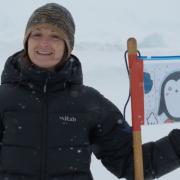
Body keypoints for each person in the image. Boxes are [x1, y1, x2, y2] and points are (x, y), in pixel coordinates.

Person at [0, 3, 180, 180]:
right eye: (37, 34)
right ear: (26, 41)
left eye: (55, 36)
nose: (44, 43)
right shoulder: (3, 99)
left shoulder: (89, 102)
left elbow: (131, 163)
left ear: (67, 46)